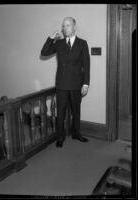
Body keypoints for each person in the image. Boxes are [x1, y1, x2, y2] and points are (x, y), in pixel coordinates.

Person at [41, 17, 90, 147]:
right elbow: (44, 52)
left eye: (68, 25)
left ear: (74, 27)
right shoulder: (59, 43)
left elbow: (86, 65)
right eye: (63, 26)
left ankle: (76, 133)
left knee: (76, 111)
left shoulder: (82, 43)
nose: (65, 28)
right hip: (62, 84)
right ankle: (60, 137)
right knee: (60, 112)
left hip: (76, 84)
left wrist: (86, 84)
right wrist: (51, 38)